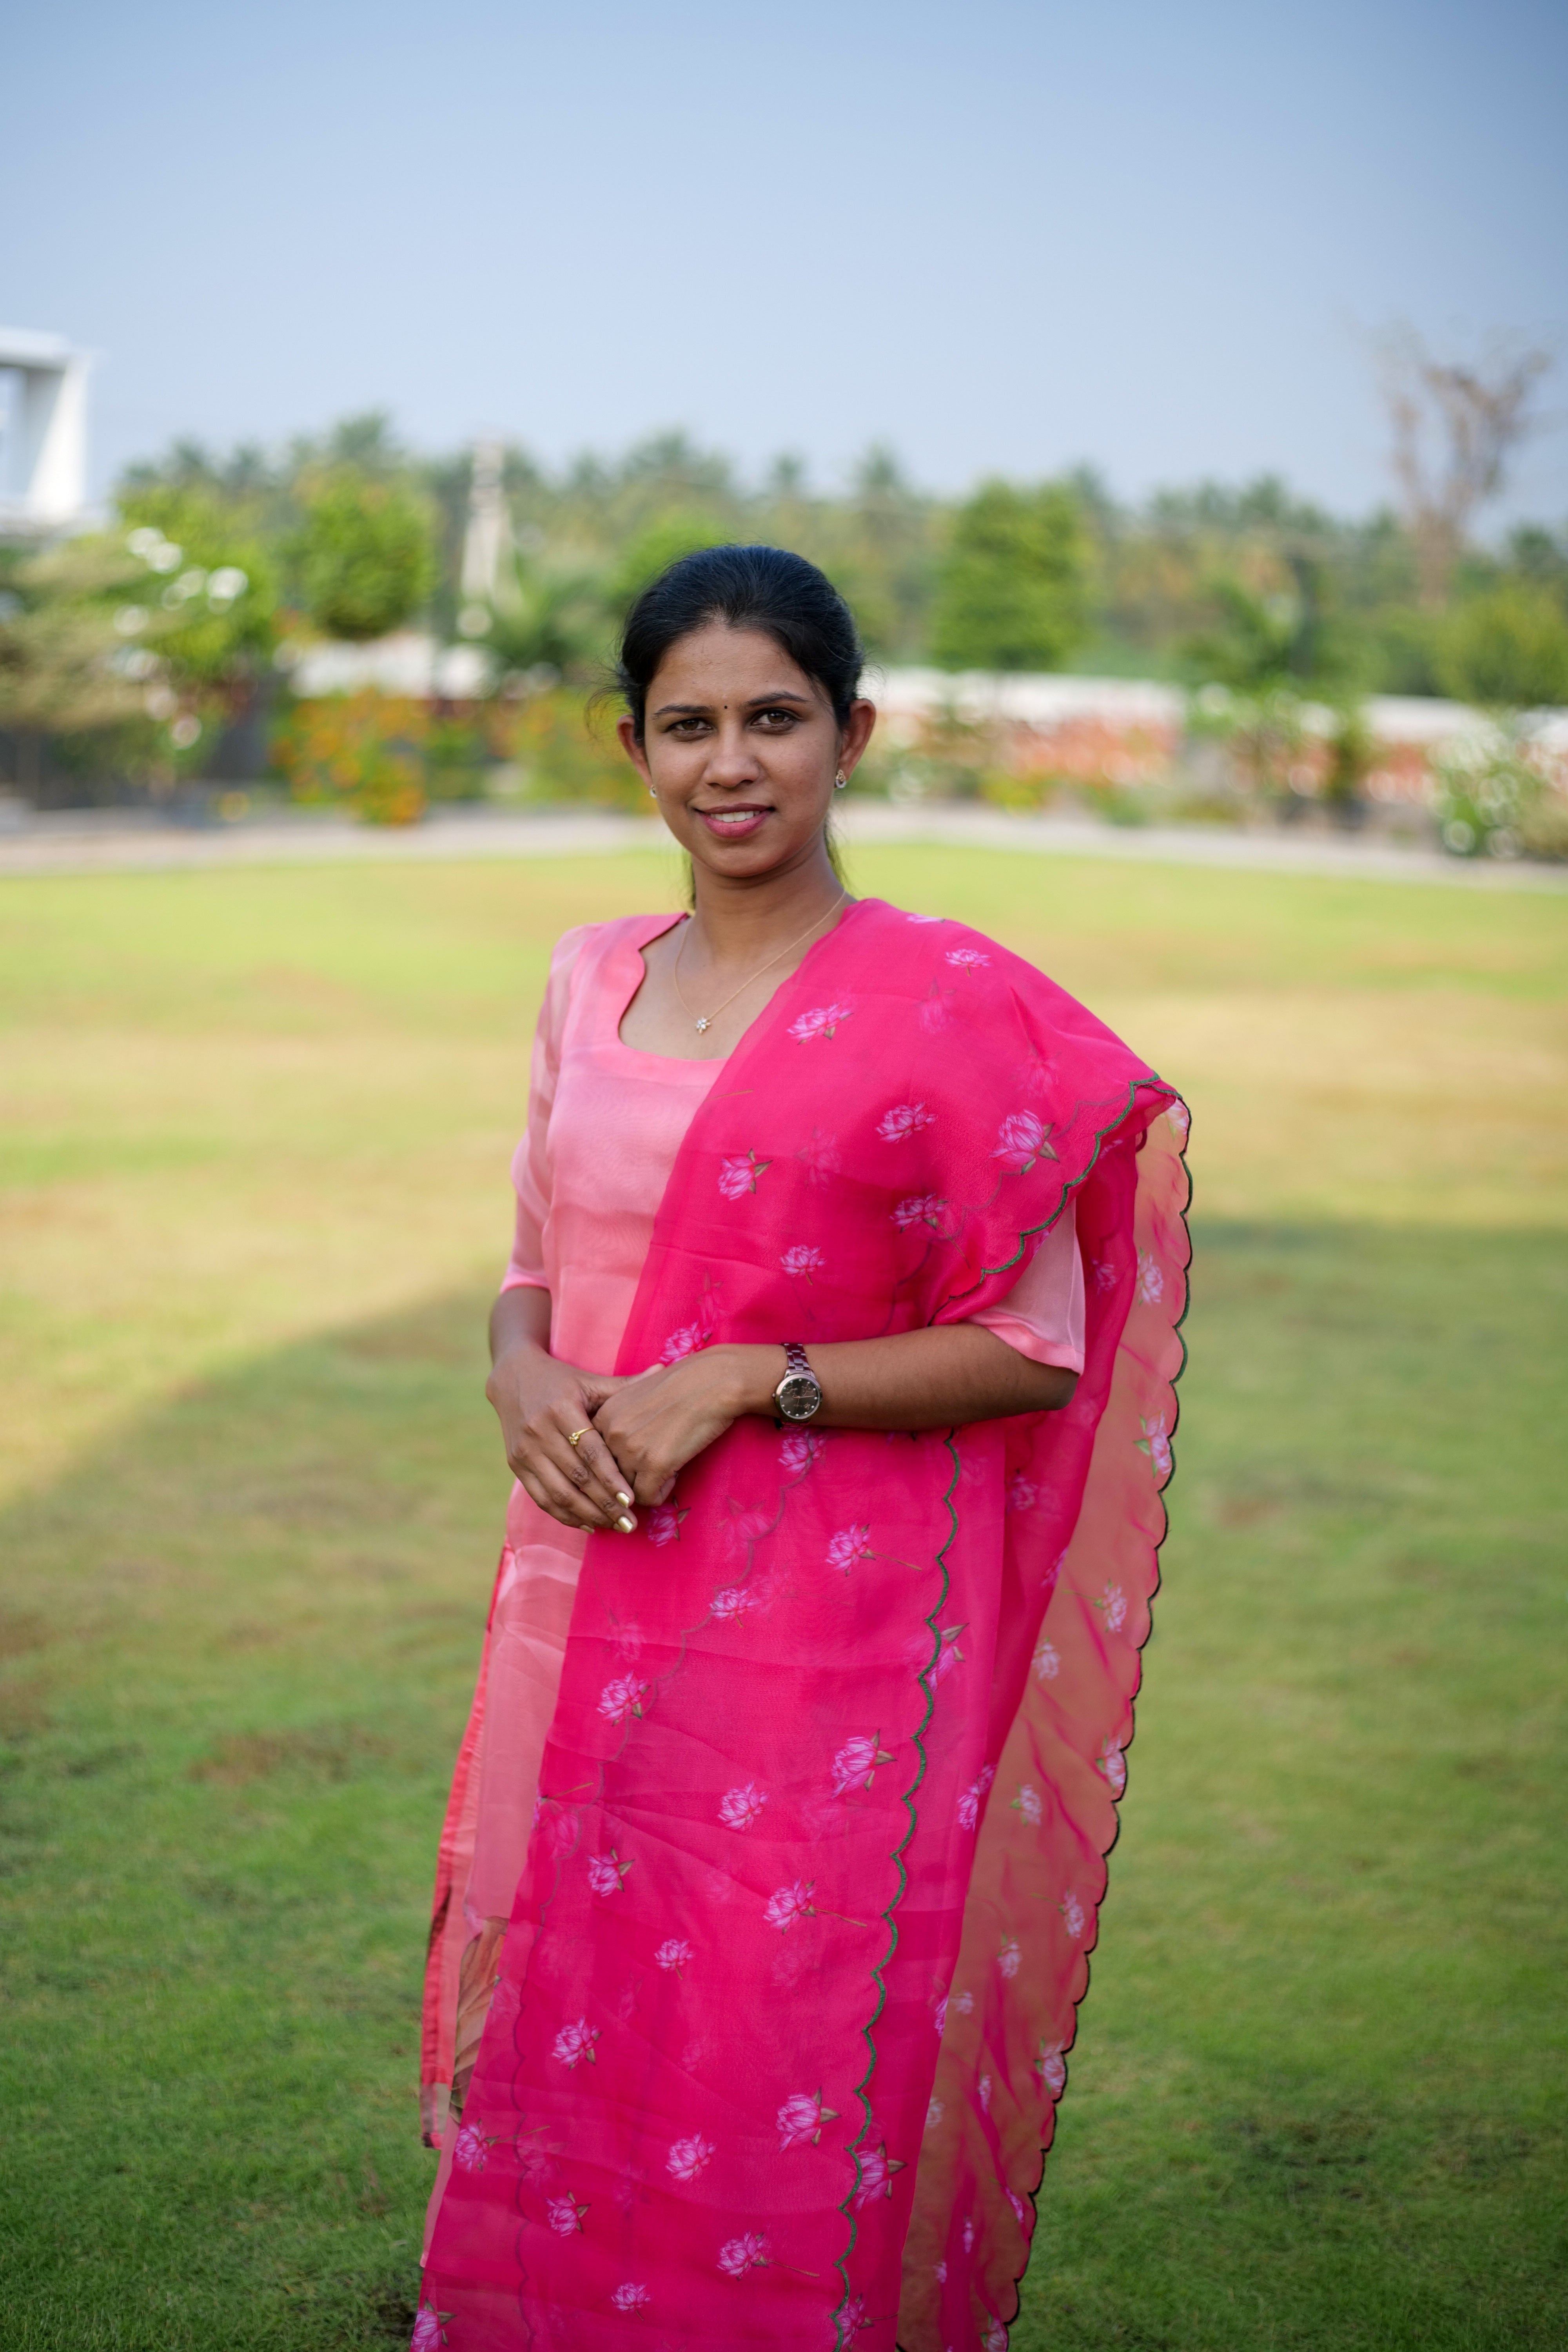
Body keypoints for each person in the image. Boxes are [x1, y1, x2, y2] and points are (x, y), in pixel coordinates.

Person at [416, 546, 1188, 2352]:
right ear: (633, 746)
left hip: (822, 1638)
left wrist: (736, 1381)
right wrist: (512, 1368)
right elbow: (535, 1266)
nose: (730, 764)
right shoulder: (587, 977)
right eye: (686, 726)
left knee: (773, 2032)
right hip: (581, 1580)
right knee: (573, 1985)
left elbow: (1031, 1348)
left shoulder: (947, 1002)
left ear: (854, 733)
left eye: (773, 718)